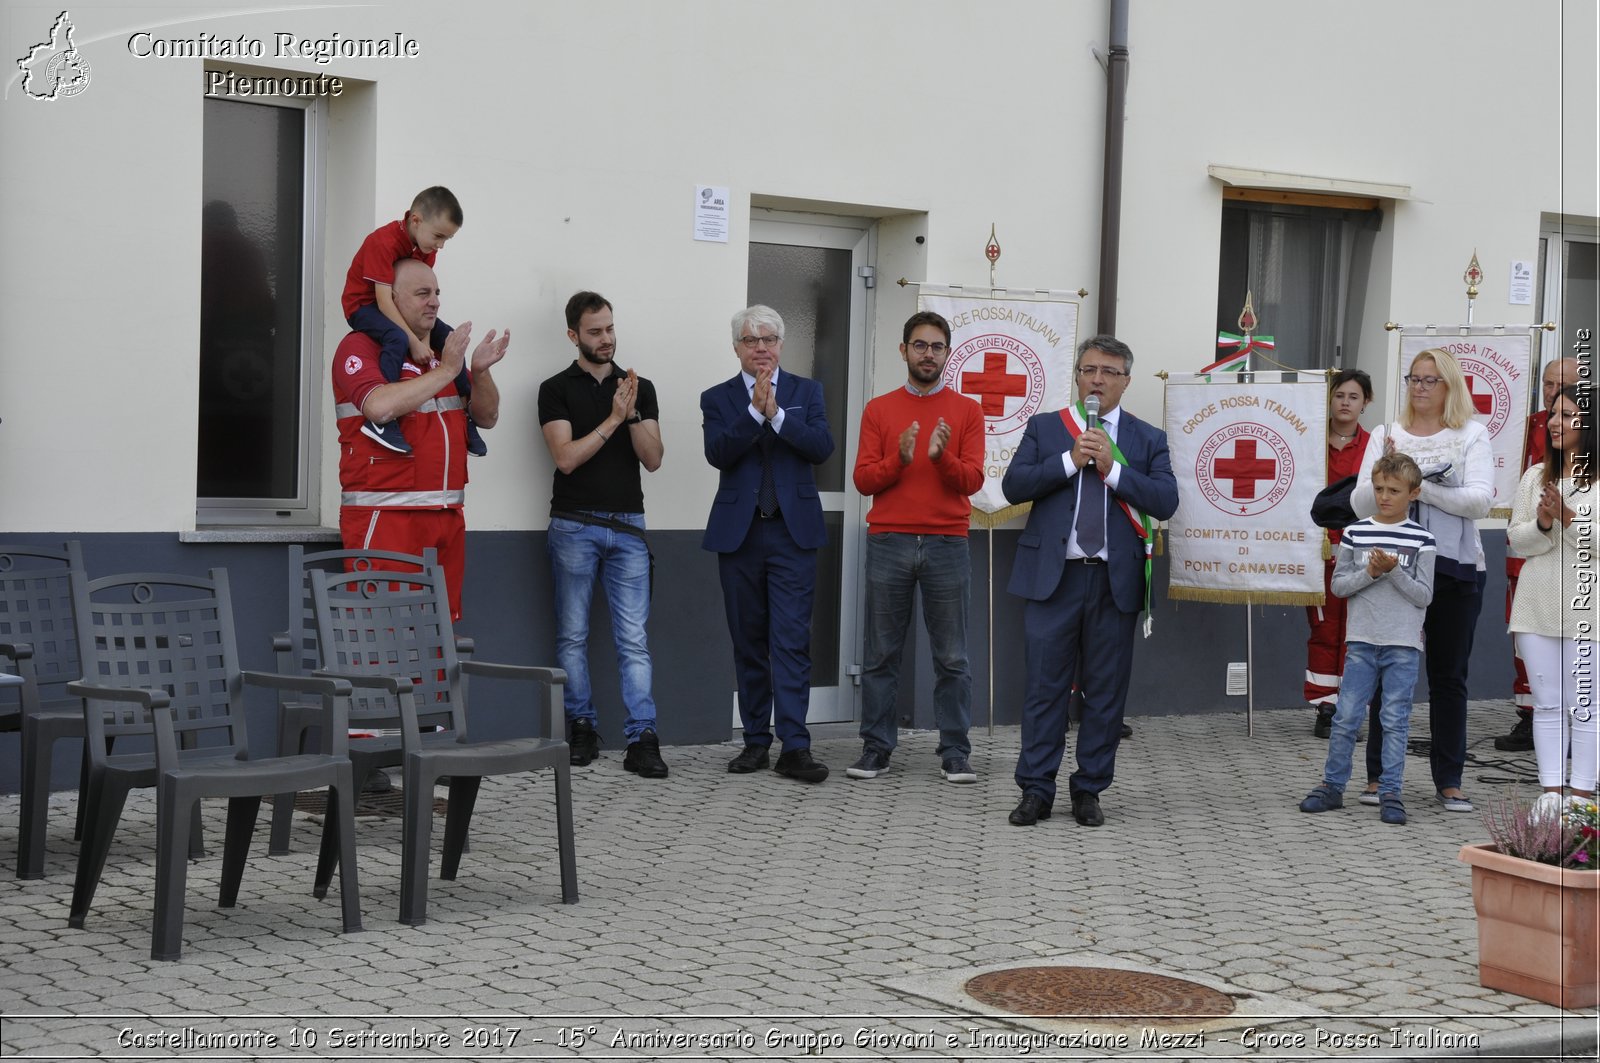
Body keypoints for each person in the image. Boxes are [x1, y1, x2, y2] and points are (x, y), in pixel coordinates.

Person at [1002, 335, 1179, 828]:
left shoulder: (1146, 439)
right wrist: (1069, 461)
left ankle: (1089, 790)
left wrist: (1112, 468)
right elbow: (1013, 486)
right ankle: (1036, 790)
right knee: (1044, 689)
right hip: (1052, 581)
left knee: (1105, 693)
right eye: (1089, 369)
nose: (1097, 379)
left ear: (1126, 380)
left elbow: (1165, 501)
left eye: (1109, 371)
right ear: (1077, 376)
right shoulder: (1045, 429)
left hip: (1112, 582)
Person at [1350, 348, 1491, 813]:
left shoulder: (1471, 433)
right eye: (1414, 378)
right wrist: (1386, 476)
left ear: (1449, 386)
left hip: (1453, 568)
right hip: (1391, 565)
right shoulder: (1385, 433)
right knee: (1382, 668)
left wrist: (1417, 484)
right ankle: (1377, 779)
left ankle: (1448, 780)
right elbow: (1358, 502)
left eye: (1431, 380)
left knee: (1448, 678)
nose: (1421, 387)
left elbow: (1479, 503)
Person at [846, 311, 985, 784]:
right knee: (881, 653)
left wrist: (941, 457)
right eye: (920, 345)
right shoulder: (879, 410)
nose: (929, 354)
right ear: (903, 350)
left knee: (952, 657)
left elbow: (972, 480)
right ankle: (877, 748)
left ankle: (954, 752)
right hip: (890, 540)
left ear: (948, 353)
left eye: (937, 346)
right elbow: (863, 480)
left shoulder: (967, 411)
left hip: (948, 542)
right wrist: (899, 459)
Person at [332, 258, 508, 622]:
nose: (435, 302)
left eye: (437, 293)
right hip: (387, 516)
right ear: (390, 300)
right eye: (423, 293)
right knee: (384, 635)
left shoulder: (441, 356)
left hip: (445, 516)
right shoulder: (360, 347)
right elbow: (378, 406)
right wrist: (447, 370)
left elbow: (487, 417)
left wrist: (478, 372)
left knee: (440, 637)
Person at [702, 305, 835, 783]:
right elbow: (718, 452)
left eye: (770, 339)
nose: (761, 348)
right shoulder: (717, 398)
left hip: (792, 533)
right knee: (749, 641)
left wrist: (776, 415)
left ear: (781, 344)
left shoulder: (806, 391)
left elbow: (821, 448)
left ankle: (795, 746)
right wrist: (752, 413)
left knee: (792, 642)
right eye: (751, 340)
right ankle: (756, 742)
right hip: (740, 535)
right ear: (736, 347)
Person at [537, 292, 667, 778]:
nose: (606, 339)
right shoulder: (555, 388)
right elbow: (565, 458)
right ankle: (582, 728)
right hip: (573, 525)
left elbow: (653, 459)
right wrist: (612, 418)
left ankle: (643, 738)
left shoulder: (639, 387)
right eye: (595, 331)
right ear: (574, 335)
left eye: (610, 328)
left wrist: (630, 412)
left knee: (633, 638)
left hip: (628, 528)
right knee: (572, 635)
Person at [1299, 453, 1436, 826]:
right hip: (1360, 641)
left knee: (1394, 720)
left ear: (1414, 493)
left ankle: (1390, 791)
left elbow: (1424, 595)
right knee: (1345, 717)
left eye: (1394, 490)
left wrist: (1393, 573)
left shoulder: (1423, 539)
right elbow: (1340, 586)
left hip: (1404, 644)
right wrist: (1371, 573)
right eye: (1379, 489)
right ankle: (1332, 786)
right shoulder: (1355, 533)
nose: (1384, 497)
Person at [340, 186, 485, 458]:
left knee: (451, 338)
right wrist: (415, 342)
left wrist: (427, 337)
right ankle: (382, 422)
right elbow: (385, 302)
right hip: (364, 306)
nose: (440, 245)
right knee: (395, 338)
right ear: (416, 220)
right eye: (439, 236)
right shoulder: (382, 242)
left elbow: (416, 288)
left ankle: (467, 416)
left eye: (447, 239)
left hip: (391, 306)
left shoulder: (425, 246)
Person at [1506, 383, 1596, 819]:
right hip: (1537, 604)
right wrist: (1542, 523)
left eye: (1566, 415)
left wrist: (1568, 518)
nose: (1555, 423)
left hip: (1588, 609)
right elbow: (1518, 541)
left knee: (1585, 703)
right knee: (1546, 703)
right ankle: (1551, 792)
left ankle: (1581, 797)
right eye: (1553, 415)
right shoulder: (1534, 477)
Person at [1498, 357, 1582, 753]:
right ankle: (1529, 715)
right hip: (1527, 550)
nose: (1552, 393)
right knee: (1525, 642)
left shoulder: (1585, 432)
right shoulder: (1526, 424)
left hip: (1578, 559)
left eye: (1562, 385)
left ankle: (1576, 732)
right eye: (1548, 384)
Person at [1308, 369, 1373, 737]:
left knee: (1358, 633)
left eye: (1353, 396)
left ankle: (1353, 707)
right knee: (1323, 629)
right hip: (1318, 553)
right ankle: (1325, 706)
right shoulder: (1311, 442)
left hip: (1362, 554)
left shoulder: (1376, 445)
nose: (1345, 403)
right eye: (1339, 395)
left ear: (1366, 403)